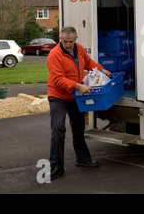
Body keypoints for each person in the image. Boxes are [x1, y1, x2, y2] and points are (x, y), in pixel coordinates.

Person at [47, 26, 111, 180]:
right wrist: (78, 86)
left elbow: (89, 63)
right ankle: (56, 165)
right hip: (59, 96)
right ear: (60, 39)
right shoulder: (54, 55)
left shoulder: (79, 49)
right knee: (58, 129)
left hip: (75, 96)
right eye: (65, 41)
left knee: (78, 127)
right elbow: (58, 80)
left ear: (76, 38)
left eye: (70, 41)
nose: (68, 44)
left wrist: (102, 70)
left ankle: (82, 159)